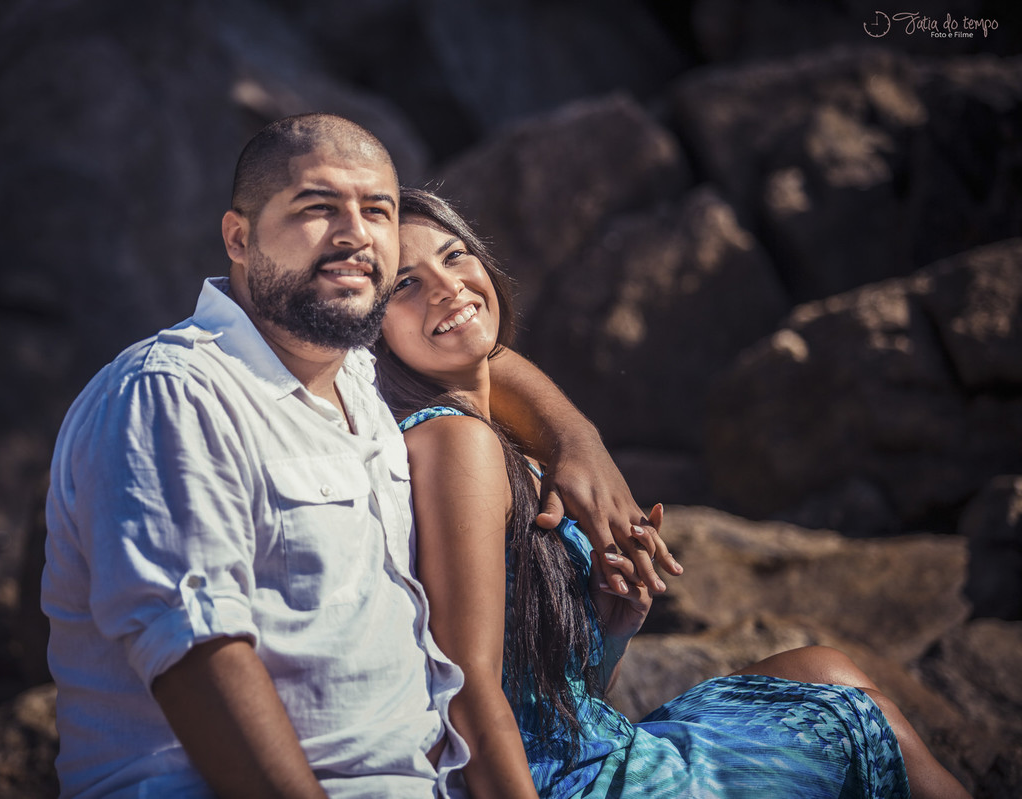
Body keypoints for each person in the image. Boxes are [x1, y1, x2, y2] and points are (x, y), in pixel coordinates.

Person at [42, 113, 677, 799]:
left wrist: (573, 439)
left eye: (376, 210)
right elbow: (196, 651)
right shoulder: (176, 393)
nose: (355, 234)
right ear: (238, 237)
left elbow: (474, 351)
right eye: (317, 208)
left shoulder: (360, 380)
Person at [374, 186, 973, 799]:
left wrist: (611, 631)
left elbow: (549, 694)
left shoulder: (498, 435)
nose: (446, 288)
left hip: (585, 742)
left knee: (823, 669)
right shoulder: (456, 442)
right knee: (863, 725)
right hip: (565, 781)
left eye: (453, 255)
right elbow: (468, 688)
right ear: (369, 328)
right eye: (404, 284)